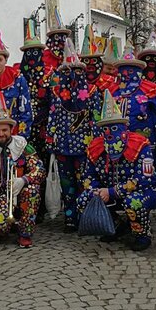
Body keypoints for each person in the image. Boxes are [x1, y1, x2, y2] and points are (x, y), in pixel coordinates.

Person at [78, 91, 156, 252]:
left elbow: (144, 179)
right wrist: (96, 191)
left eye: (115, 127)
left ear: (125, 127)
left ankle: (142, 234)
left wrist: (113, 191)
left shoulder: (140, 146)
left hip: (146, 190)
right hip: (109, 191)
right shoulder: (96, 148)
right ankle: (116, 225)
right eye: (106, 129)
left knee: (133, 202)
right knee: (83, 199)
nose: (110, 133)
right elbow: (89, 177)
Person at [0, 94, 44, 248]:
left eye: (5, 130)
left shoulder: (22, 145)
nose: (1, 134)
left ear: (11, 129)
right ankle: (6, 226)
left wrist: (23, 180)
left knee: (32, 191)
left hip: (19, 191)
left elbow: (39, 168)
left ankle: (25, 233)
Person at [47, 39, 93, 232]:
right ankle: (70, 217)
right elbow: (52, 119)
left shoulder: (91, 93)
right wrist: (51, 141)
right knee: (67, 185)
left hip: (84, 148)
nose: (72, 75)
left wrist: (96, 144)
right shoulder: (57, 95)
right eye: (66, 71)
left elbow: (95, 120)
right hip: (63, 148)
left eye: (76, 71)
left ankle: (84, 215)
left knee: (85, 181)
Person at [0, 26, 33, 138]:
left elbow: (26, 109)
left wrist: (23, 136)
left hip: (14, 135)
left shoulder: (18, 79)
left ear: (6, 60)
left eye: (0, 60)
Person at [16, 20, 51, 183]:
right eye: (28, 52)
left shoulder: (50, 75)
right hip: (24, 127)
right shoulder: (18, 75)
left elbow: (53, 102)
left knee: (43, 160)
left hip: (44, 127)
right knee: (25, 160)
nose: (32, 56)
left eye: (36, 51)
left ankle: (45, 200)